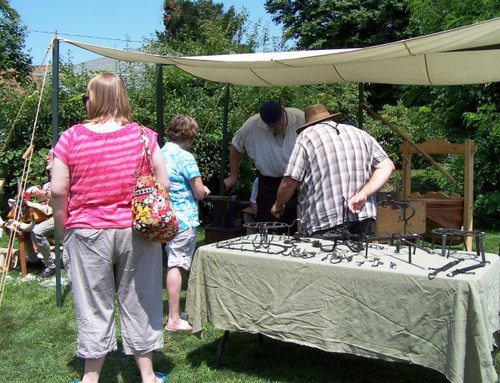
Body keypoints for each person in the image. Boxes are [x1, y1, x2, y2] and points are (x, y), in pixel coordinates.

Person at [50, 73, 167, 383]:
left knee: (92, 305)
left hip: (86, 232)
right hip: (137, 232)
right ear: (121, 98)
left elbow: (58, 190)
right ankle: (148, 376)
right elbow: (163, 185)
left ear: (94, 98)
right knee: (141, 299)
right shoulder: (144, 136)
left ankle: (90, 379)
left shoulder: (71, 137)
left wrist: (63, 231)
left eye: (87, 97)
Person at [271, 104, 395, 238]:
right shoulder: (360, 134)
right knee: (360, 259)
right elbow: (387, 166)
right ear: (332, 118)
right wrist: (364, 194)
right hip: (362, 216)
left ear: (308, 124)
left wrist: (278, 205)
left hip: (324, 220)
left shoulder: (307, 136)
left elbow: (290, 182)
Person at [161, 115, 210, 332]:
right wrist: (205, 190)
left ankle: (172, 311)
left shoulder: (159, 153)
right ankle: (173, 319)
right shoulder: (185, 157)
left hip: (162, 218)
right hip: (183, 219)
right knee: (177, 264)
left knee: (170, 261)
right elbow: (199, 192)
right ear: (190, 136)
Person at [223, 100, 305, 230]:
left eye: (277, 125)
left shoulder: (301, 118)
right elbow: (236, 146)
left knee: (294, 226)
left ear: (284, 112)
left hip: (295, 183)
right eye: (271, 127)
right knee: (266, 227)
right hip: (268, 184)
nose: (275, 129)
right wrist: (233, 175)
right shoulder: (252, 125)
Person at [28, 149, 56, 277]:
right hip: (52, 215)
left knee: (37, 231)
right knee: (24, 226)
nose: (46, 158)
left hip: (64, 215)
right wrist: (34, 193)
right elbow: (43, 198)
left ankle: (50, 266)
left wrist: (43, 194)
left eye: (49, 155)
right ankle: (34, 260)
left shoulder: (64, 174)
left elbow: (64, 195)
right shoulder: (52, 177)